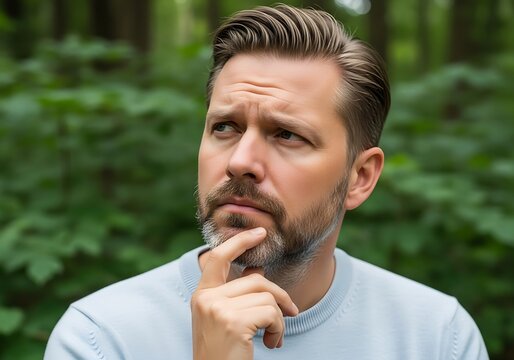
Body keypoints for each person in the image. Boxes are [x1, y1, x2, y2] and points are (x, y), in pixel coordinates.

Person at [44, 5, 488, 360]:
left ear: (360, 177)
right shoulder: (101, 339)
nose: (240, 162)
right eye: (225, 127)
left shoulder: (435, 337)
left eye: (287, 135)